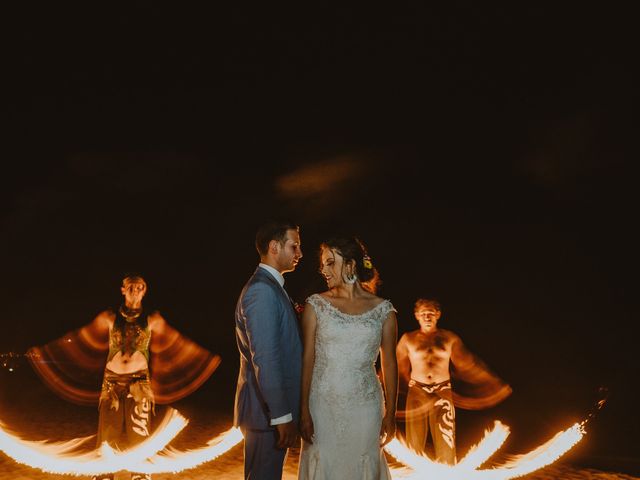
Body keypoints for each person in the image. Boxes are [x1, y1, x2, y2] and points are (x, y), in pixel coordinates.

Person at [28, 274, 221, 480]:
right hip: (111, 383)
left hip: (139, 383)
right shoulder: (109, 317)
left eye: (140, 287)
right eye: (131, 287)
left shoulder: (152, 319)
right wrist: (49, 351)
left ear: (145, 290)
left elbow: (175, 341)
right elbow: (81, 336)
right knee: (108, 433)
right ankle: (103, 473)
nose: (135, 291)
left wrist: (199, 357)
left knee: (139, 432)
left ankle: (139, 474)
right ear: (122, 290)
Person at [298, 236, 398, 479]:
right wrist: (303, 410)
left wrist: (392, 413)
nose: (324, 270)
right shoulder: (316, 305)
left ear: (351, 265)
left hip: (366, 407)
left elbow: (389, 363)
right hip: (322, 405)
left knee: (362, 462)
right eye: (323, 264)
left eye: (331, 263)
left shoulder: (384, 310)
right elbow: (307, 360)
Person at [396, 298, 511, 464]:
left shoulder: (449, 338)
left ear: (438, 315)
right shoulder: (408, 339)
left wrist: (490, 381)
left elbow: (468, 364)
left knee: (446, 439)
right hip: (417, 391)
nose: (427, 317)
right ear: (416, 316)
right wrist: (376, 383)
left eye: (431, 313)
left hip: (442, 391)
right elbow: (395, 366)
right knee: (414, 443)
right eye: (423, 314)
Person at [233, 220, 303, 480]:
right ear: (274, 247)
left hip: (267, 413)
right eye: (294, 246)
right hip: (266, 414)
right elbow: (266, 357)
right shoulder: (262, 291)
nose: (300, 254)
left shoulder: (272, 287)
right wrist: (281, 415)